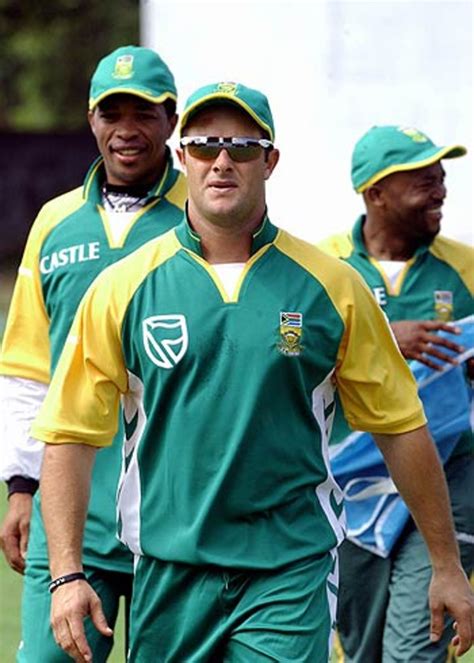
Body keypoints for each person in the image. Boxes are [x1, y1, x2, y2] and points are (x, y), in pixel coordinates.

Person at [32, 84, 473, 663]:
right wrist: (66, 574)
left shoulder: (331, 286)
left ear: (270, 160)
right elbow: (68, 434)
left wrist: (446, 564)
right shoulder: (122, 287)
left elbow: (400, 426)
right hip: (169, 573)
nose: (222, 160)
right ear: (183, 156)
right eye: (205, 144)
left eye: (241, 145)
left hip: (289, 568)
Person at [0, 45, 186, 661]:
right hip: (72, 525)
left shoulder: (204, 215)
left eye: (144, 113)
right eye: (112, 113)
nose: (126, 130)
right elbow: (29, 367)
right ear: (90, 119)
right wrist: (22, 485)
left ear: (172, 119)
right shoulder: (54, 223)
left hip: (177, 524)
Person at [318, 124, 474, 662]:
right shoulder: (323, 269)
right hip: (350, 487)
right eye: (423, 180)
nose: (441, 191)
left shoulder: (466, 268)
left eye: (441, 177)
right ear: (375, 193)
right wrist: (384, 341)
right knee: (360, 651)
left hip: (450, 481)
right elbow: (288, 366)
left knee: (414, 649)